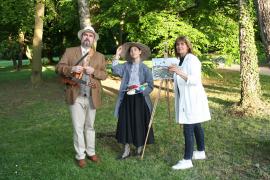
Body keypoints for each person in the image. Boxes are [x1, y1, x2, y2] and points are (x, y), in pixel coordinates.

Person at [56, 26, 107, 168]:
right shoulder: (70, 51)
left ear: (93, 39)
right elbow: (58, 67)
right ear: (81, 37)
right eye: (85, 35)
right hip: (75, 93)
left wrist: (94, 71)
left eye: (91, 36)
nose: (87, 38)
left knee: (90, 126)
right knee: (78, 127)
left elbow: (104, 75)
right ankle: (80, 155)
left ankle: (91, 152)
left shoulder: (99, 56)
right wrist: (71, 69)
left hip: (92, 95)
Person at [168, 36, 211, 170]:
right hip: (186, 99)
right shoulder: (180, 60)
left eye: (182, 44)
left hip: (193, 99)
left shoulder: (192, 59)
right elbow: (179, 78)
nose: (179, 47)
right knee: (196, 124)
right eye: (177, 45)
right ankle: (200, 152)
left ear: (187, 46)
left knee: (188, 127)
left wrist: (178, 72)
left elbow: (195, 80)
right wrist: (172, 74)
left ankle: (187, 159)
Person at [112, 42, 154, 159]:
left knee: (139, 122)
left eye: (135, 50)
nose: (133, 52)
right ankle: (126, 149)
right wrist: (117, 55)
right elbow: (115, 70)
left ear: (140, 52)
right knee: (125, 122)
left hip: (140, 99)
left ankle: (140, 146)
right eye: (131, 51)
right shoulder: (126, 66)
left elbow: (150, 85)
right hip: (127, 97)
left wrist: (140, 89)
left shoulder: (145, 68)